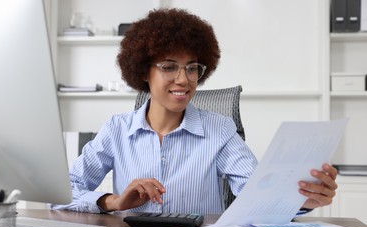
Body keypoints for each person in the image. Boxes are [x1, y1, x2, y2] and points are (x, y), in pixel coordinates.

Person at [53, 8, 338, 215]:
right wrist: (112, 201)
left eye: (192, 67)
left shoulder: (220, 130)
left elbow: (256, 192)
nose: (184, 79)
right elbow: (63, 191)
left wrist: (301, 200)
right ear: (143, 72)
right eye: (169, 66)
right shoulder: (117, 129)